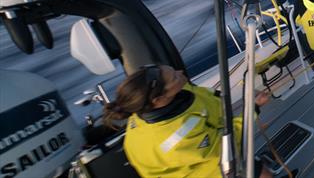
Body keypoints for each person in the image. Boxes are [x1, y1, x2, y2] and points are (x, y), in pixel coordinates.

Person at [103, 64, 295, 178]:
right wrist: (253, 108)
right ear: (159, 99)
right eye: (174, 77)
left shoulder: (156, 104)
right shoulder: (176, 138)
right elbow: (227, 144)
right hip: (214, 168)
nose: (180, 73)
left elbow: (204, 97)